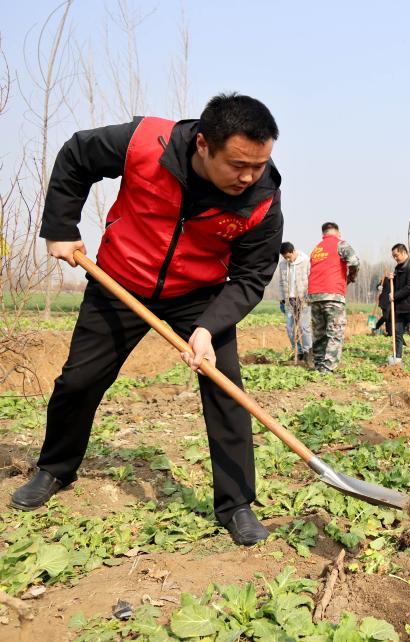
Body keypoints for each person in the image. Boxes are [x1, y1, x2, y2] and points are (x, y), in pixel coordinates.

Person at [11, 93, 283, 546]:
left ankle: (235, 504)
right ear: (203, 145)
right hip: (121, 279)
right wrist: (61, 226)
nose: (249, 176)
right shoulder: (145, 143)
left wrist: (207, 328)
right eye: (238, 165)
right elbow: (78, 154)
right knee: (79, 381)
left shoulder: (261, 198)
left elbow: (253, 275)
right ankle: (55, 468)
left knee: (226, 388)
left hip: (199, 295)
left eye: (259, 164)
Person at [307, 222, 359, 373]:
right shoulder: (341, 244)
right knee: (335, 333)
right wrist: (351, 277)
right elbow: (354, 262)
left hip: (315, 296)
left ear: (323, 234)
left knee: (319, 333)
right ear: (337, 233)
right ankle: (327, 369)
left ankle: (318, 365)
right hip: (333, 295)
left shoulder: (316, 249)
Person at [277, 242, 312, 362]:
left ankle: (308, 352)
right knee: (290, 328)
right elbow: (281, 283)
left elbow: (311, 280)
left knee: (304, 327)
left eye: (289, 256)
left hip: (304, 299)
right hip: (289, 300)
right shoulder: (282, 265)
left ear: (293, 251)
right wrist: (282, 300)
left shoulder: (306, 261)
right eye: (285, 257)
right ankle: (298, 351)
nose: (288, 259)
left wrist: (309, 297)